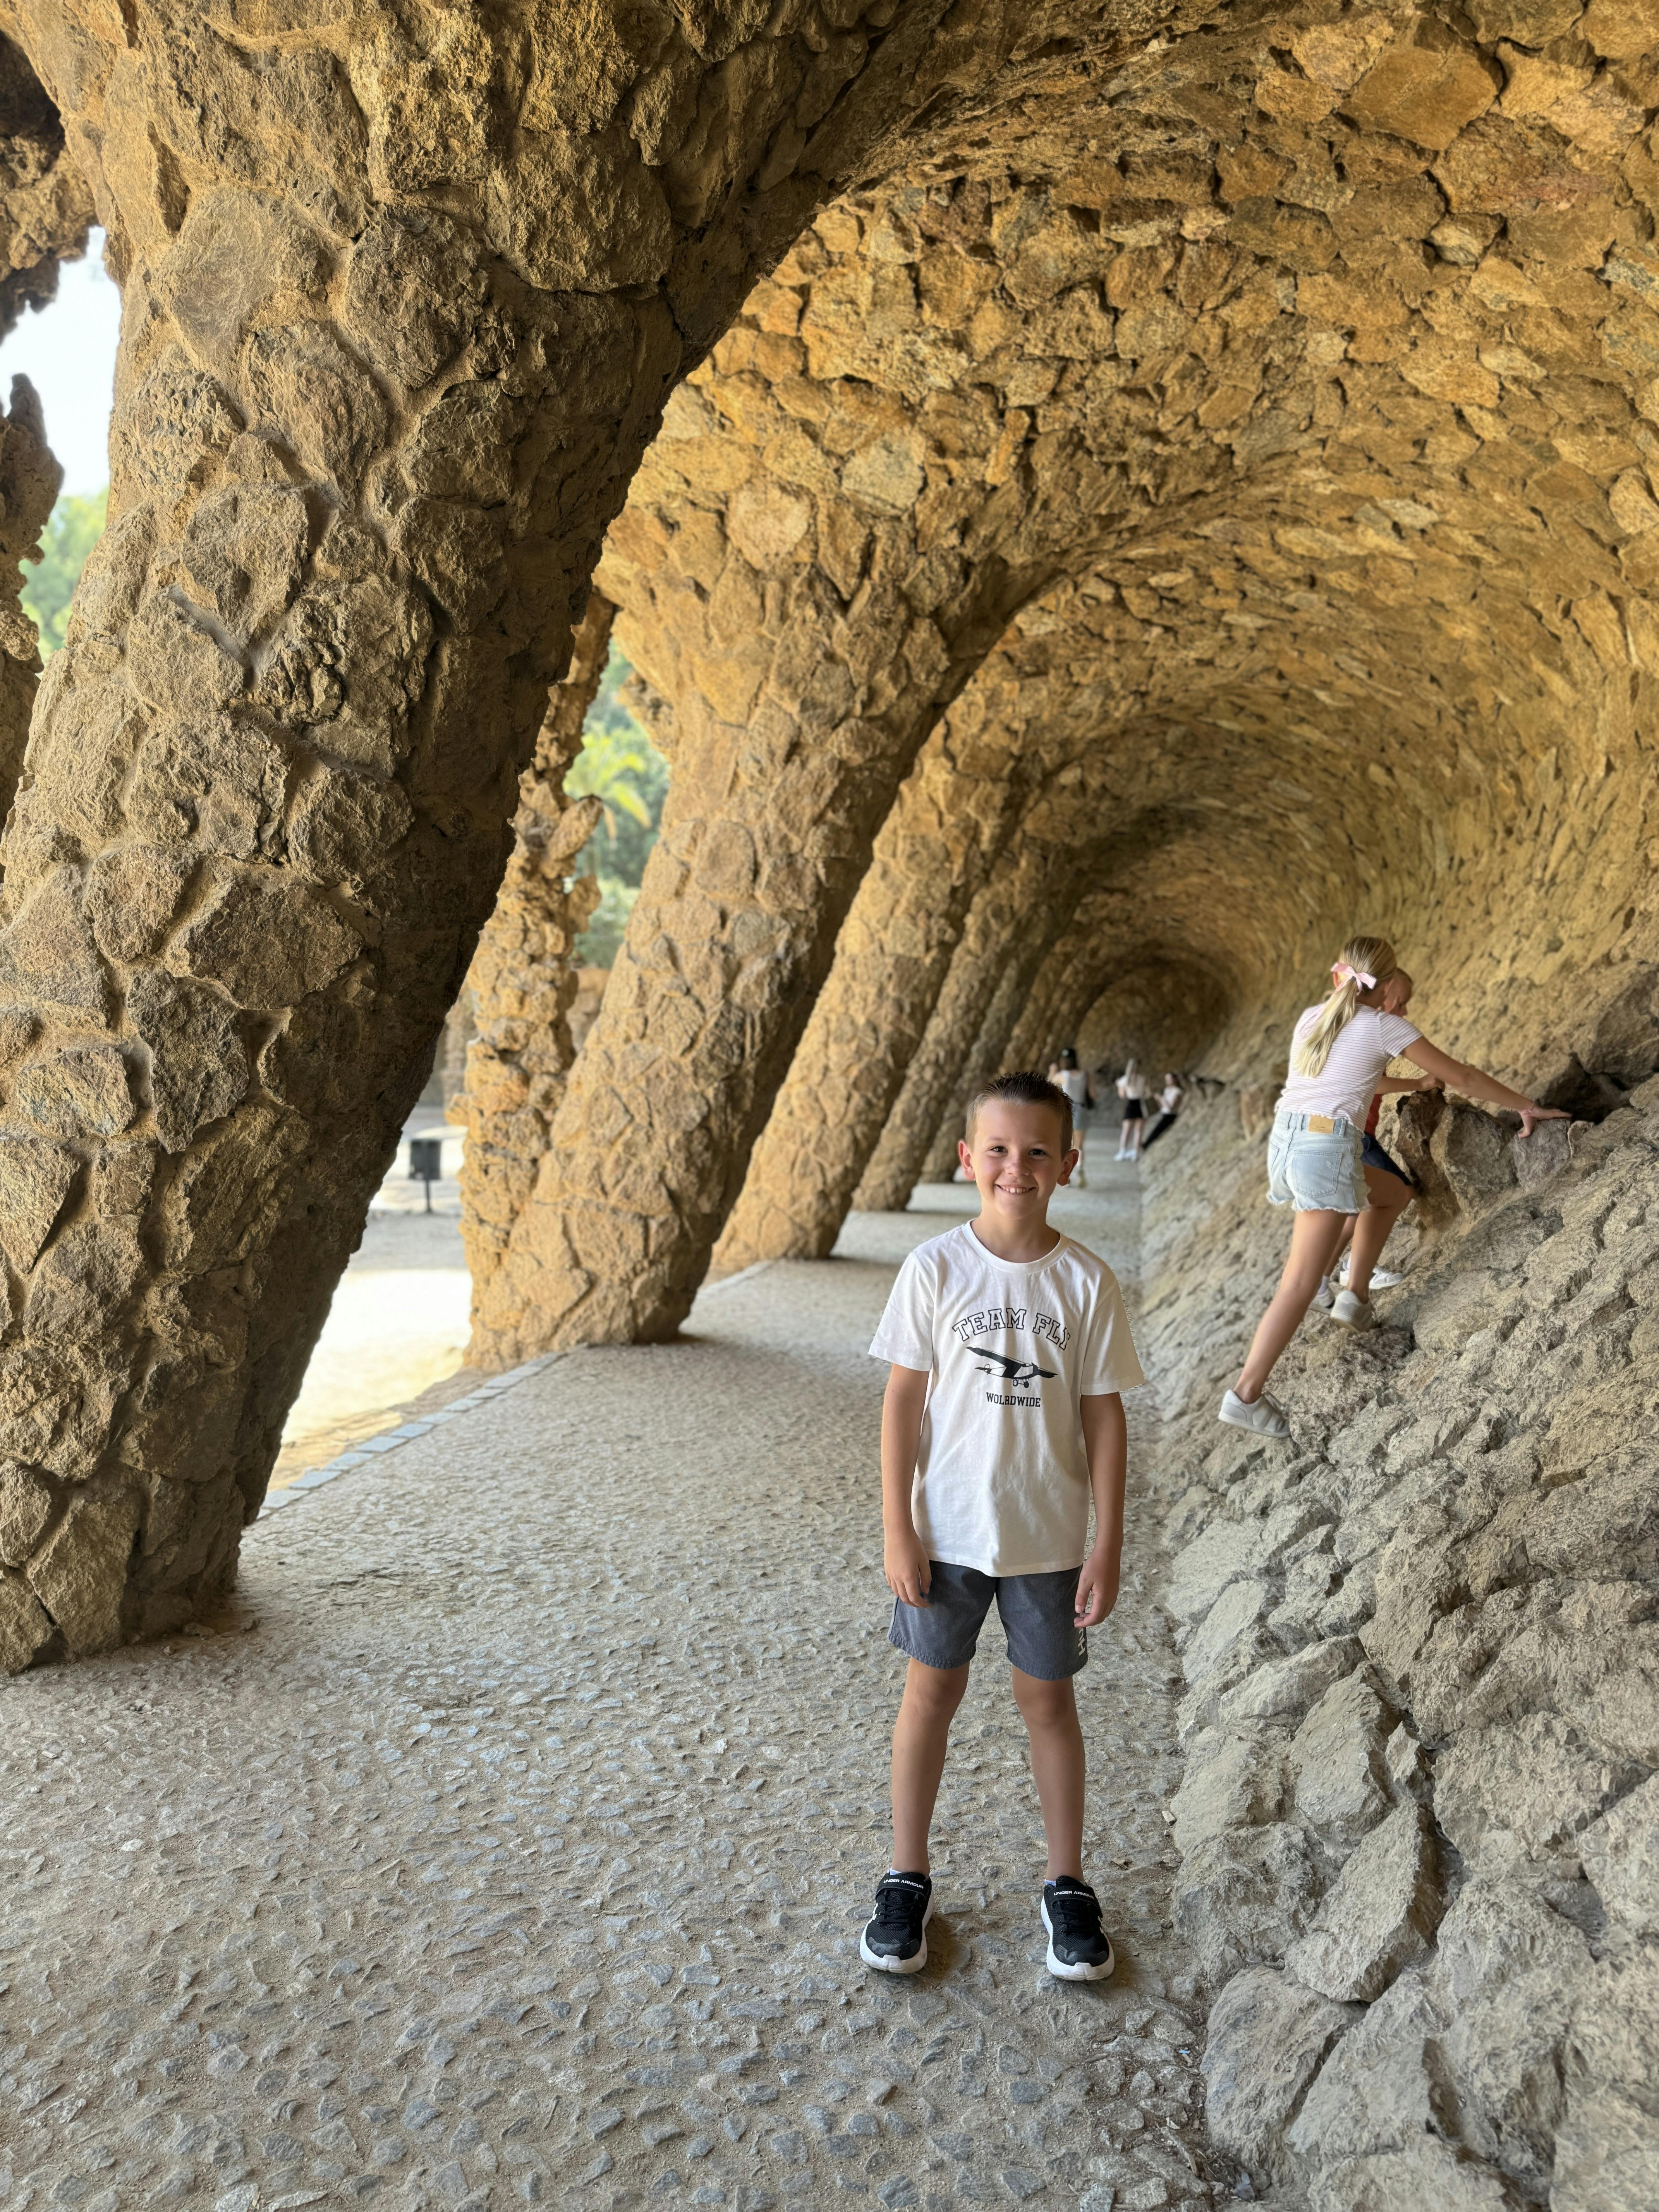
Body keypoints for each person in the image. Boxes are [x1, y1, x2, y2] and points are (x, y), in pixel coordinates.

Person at [861, 1070, 1144, 1981]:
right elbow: (904, 1402)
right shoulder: (936, 1268)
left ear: (1067, 1163)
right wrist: (899, 1525)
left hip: (1049, 1538)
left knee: (1049, 1705)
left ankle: (1066, 1882)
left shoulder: (1085, 1281)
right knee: (929, 1696)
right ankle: (907, 1874)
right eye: (997, 1150)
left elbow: (1104, 1414)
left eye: (1034, 1153)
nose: (1014, 1169)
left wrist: (1108, 1539)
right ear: (967, 1159)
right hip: (945, 1534)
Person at [1219, 935, 1568, 1439]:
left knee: (1391, 1194)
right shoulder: (1383, 1026)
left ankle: (1354, 1295)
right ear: (1384, 986)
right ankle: (1245, 1394)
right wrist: (1525, 1105)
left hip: (1289, 1142)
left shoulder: (1312, 1018)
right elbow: (1462, 1074)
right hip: (1324, 1148)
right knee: (1298, 1284)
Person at [1047, 1046, 1094, 1187]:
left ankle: (1066, 1176)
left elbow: (1047, 1087)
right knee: (1079, 1146)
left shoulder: (1062, 1075)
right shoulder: (1085, 1075)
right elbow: (1093, 1095)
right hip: (1081, 1109)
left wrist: (1052, 1072)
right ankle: (1080, 1168)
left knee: (1066, 1145)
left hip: (1067, 1110)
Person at [1140, 1071, 1185, 1151]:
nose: (1167, 1081)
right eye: (1166, 1079)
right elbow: (1163, 1106)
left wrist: (1161, 1098)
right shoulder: (1167, 1090)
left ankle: (1146, 1146)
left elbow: (1170, 1107)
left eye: (1169, 1079)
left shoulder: (1178, 1092)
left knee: (1156, 1131)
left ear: (1175, 1080)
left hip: (1170, 1115)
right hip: (1163, 1113)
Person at [1114, 1058, 1146, 1161]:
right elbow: (1146, 1093)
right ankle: (1135, 1153)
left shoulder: (1125, 1080)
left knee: (1126, 1131)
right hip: (1140, 1104)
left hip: (1131, 1104)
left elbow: (1122, 1096)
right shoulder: (1142, 1079)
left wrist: (1119, 1086)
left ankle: (1122, 1151)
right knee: (1138, 1131)